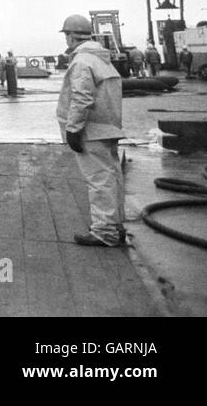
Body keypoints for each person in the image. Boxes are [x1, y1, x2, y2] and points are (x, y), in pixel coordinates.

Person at [57, 14, 126, 247]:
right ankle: (115, 226)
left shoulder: (81, 62)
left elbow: (82, 98)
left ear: (71, 36)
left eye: (66, 35)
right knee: (112, 178)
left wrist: (73, 129)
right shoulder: (103, 60)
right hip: (108, 128)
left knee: (98, 181)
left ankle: (104, 231)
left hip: (91, 132)